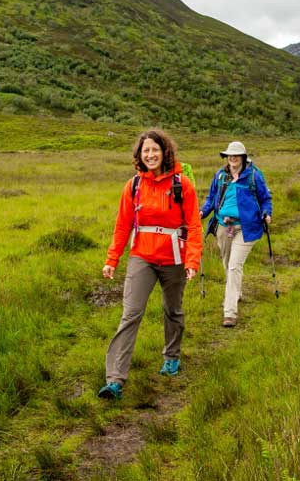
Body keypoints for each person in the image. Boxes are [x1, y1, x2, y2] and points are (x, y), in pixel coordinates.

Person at [98, 129, 203, 400]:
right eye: (145, 151)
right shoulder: (133, 185)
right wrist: (112, 259)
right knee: (130, 313)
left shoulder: (182, 184)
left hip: (174, 258)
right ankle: (115, 380)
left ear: (164, 152)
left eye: (155, 150)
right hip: (141, 257)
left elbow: (193, 224)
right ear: (139, 155)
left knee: (173, 311)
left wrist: (192, 260)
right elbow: (123, 226)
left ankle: (171, 358)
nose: (150, 155)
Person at [199, 141, 273, 328]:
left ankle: (229, 312)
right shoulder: (220, 175)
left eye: (236, 155)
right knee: (227, 263)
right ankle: (236, 293)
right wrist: (202, 212)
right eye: (229, 155)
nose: (232, 158)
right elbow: (211, 198)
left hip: (247, 227)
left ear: (243, 157)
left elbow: (265, 198)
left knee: (233, 266)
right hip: (223, 226)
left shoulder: (254, 175)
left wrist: (267, 213)